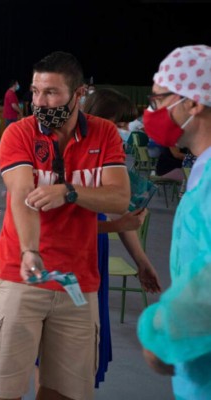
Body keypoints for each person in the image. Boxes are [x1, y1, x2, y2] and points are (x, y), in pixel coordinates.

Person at [0, 51, 129, 400]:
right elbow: (22, 196)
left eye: (51, 93)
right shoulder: (19, 133)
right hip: (23, 276)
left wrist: (70, 192)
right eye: (35, 91)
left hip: (78, 284)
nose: (39, 101)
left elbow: (119, 198)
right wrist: (30, 250)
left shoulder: (104, 134)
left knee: (64, 391)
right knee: (6, 389)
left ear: (78, 94)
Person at [137, 44, 211, 399]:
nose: (151, 111)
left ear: (193, 103)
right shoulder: (201, 167)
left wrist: (163, 333)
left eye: (159, 100)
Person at [80, 87, 162, 388]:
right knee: (62, 352)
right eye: (120, 124)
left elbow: (122, 217)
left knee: (88, 347)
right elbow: (61, 227)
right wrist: (118, 226)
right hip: (71, 256)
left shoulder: (111, 160)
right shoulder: (74, 157)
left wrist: (141, 261)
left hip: (95, 252)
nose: (125, 132)